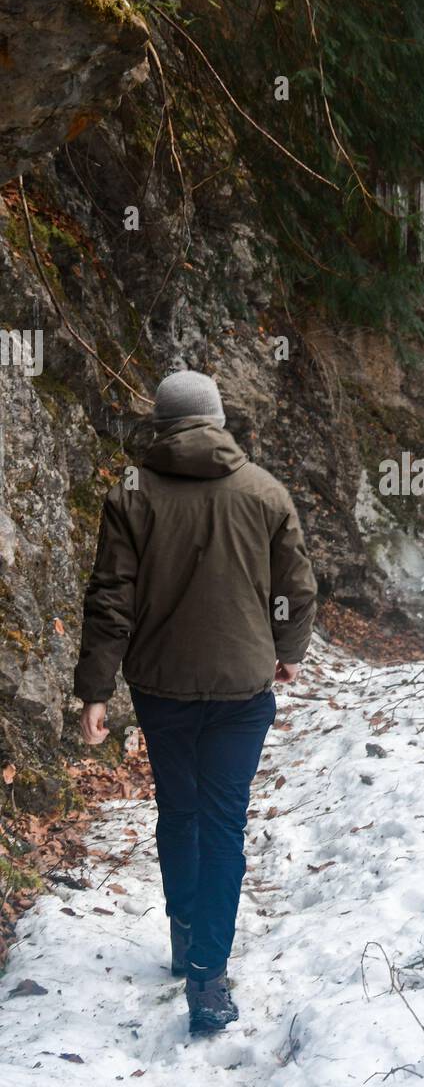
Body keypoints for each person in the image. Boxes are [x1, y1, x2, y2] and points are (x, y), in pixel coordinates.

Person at [73, 370, 317, 1035]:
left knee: (179, 811)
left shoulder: (130, 492)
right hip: (242, 689)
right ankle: (209, 974)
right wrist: (287, 647)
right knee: (224, 824)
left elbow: (110, 598)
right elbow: (295, 588)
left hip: (162, 688)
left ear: (160, 424)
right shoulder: (266, 492)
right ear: (217, 421)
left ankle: (185, 930)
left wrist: (96, 688)